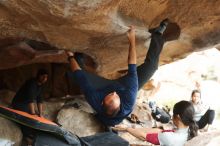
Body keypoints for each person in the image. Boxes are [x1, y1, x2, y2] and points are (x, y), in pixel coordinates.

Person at [66, 19, 181, 126]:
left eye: (111, 95)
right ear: (121, 103)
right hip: (124, 87)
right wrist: (132, 40)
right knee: (152, 67)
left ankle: (78, 58)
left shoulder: (94, 98)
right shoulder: (129, 98)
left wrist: (70, 57)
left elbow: (79, 75)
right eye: (116, 96)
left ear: (102, 103)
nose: (115, 93)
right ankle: (157, 35)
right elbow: (132, 65)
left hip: (106, 89)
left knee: (78, 76)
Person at [113, 101, 198, 146]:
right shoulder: (189, 130)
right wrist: (133, 127)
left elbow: (143, 136)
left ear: (178, 116)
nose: (171, 117)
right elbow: (158, 131)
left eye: (173, 114)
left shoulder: (171, 138)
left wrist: (127, 129)